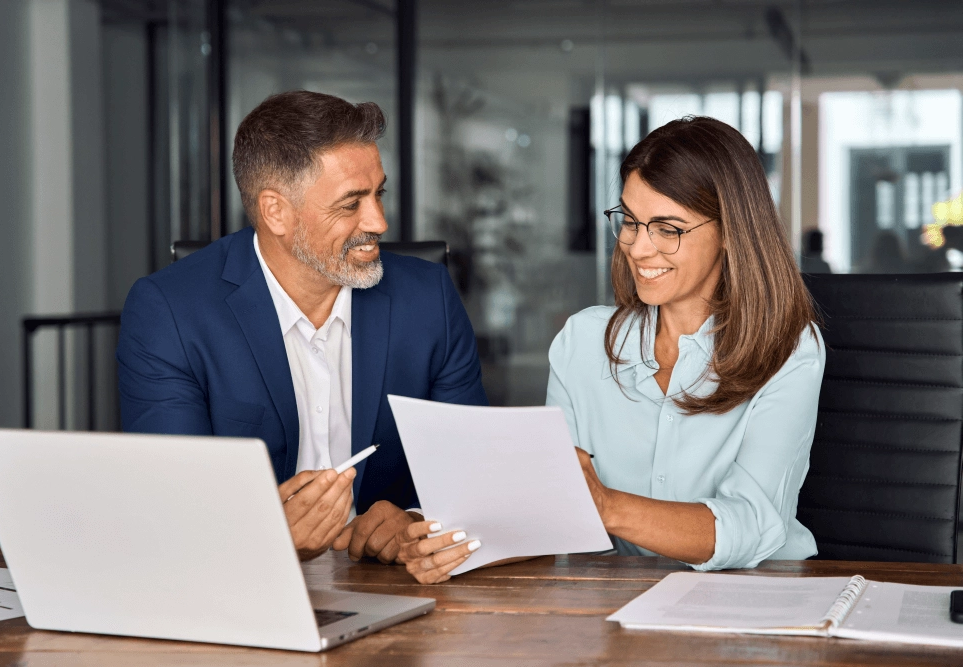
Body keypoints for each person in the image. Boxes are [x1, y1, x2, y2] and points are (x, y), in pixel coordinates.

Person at [117, 91, 487, 569]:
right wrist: (265, 537)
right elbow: (168, 505)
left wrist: (416, 522)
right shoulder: (169, 311)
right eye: (351, 203)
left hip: (393, 583)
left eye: (379, 194)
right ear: (276, 212)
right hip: (235, 580)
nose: (379, 221)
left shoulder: (427, 297)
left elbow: (475, 474)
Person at [545, 116, 824, 570]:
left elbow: (753, 522)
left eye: (668, 229)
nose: (636, 248)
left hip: (754, 604)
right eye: (631, 221)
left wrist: (607, 506)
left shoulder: (788, 348)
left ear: (731, 231)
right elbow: (556, 515)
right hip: (616, 603)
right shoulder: (582, 341)